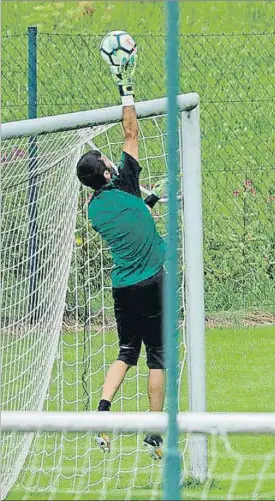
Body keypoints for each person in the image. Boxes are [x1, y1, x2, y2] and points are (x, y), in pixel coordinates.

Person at [76, 47, 165, 460]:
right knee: (158, 357)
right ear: (109, 173)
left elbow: (129, 214)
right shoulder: (126, 182)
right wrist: (125, 88)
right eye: (107, 160)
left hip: (122, 287)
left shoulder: (95, 209)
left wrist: (148, 202)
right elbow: (131, 132)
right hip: (152, 279)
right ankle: (153, 432)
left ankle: (103, 413)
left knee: (126, 352)